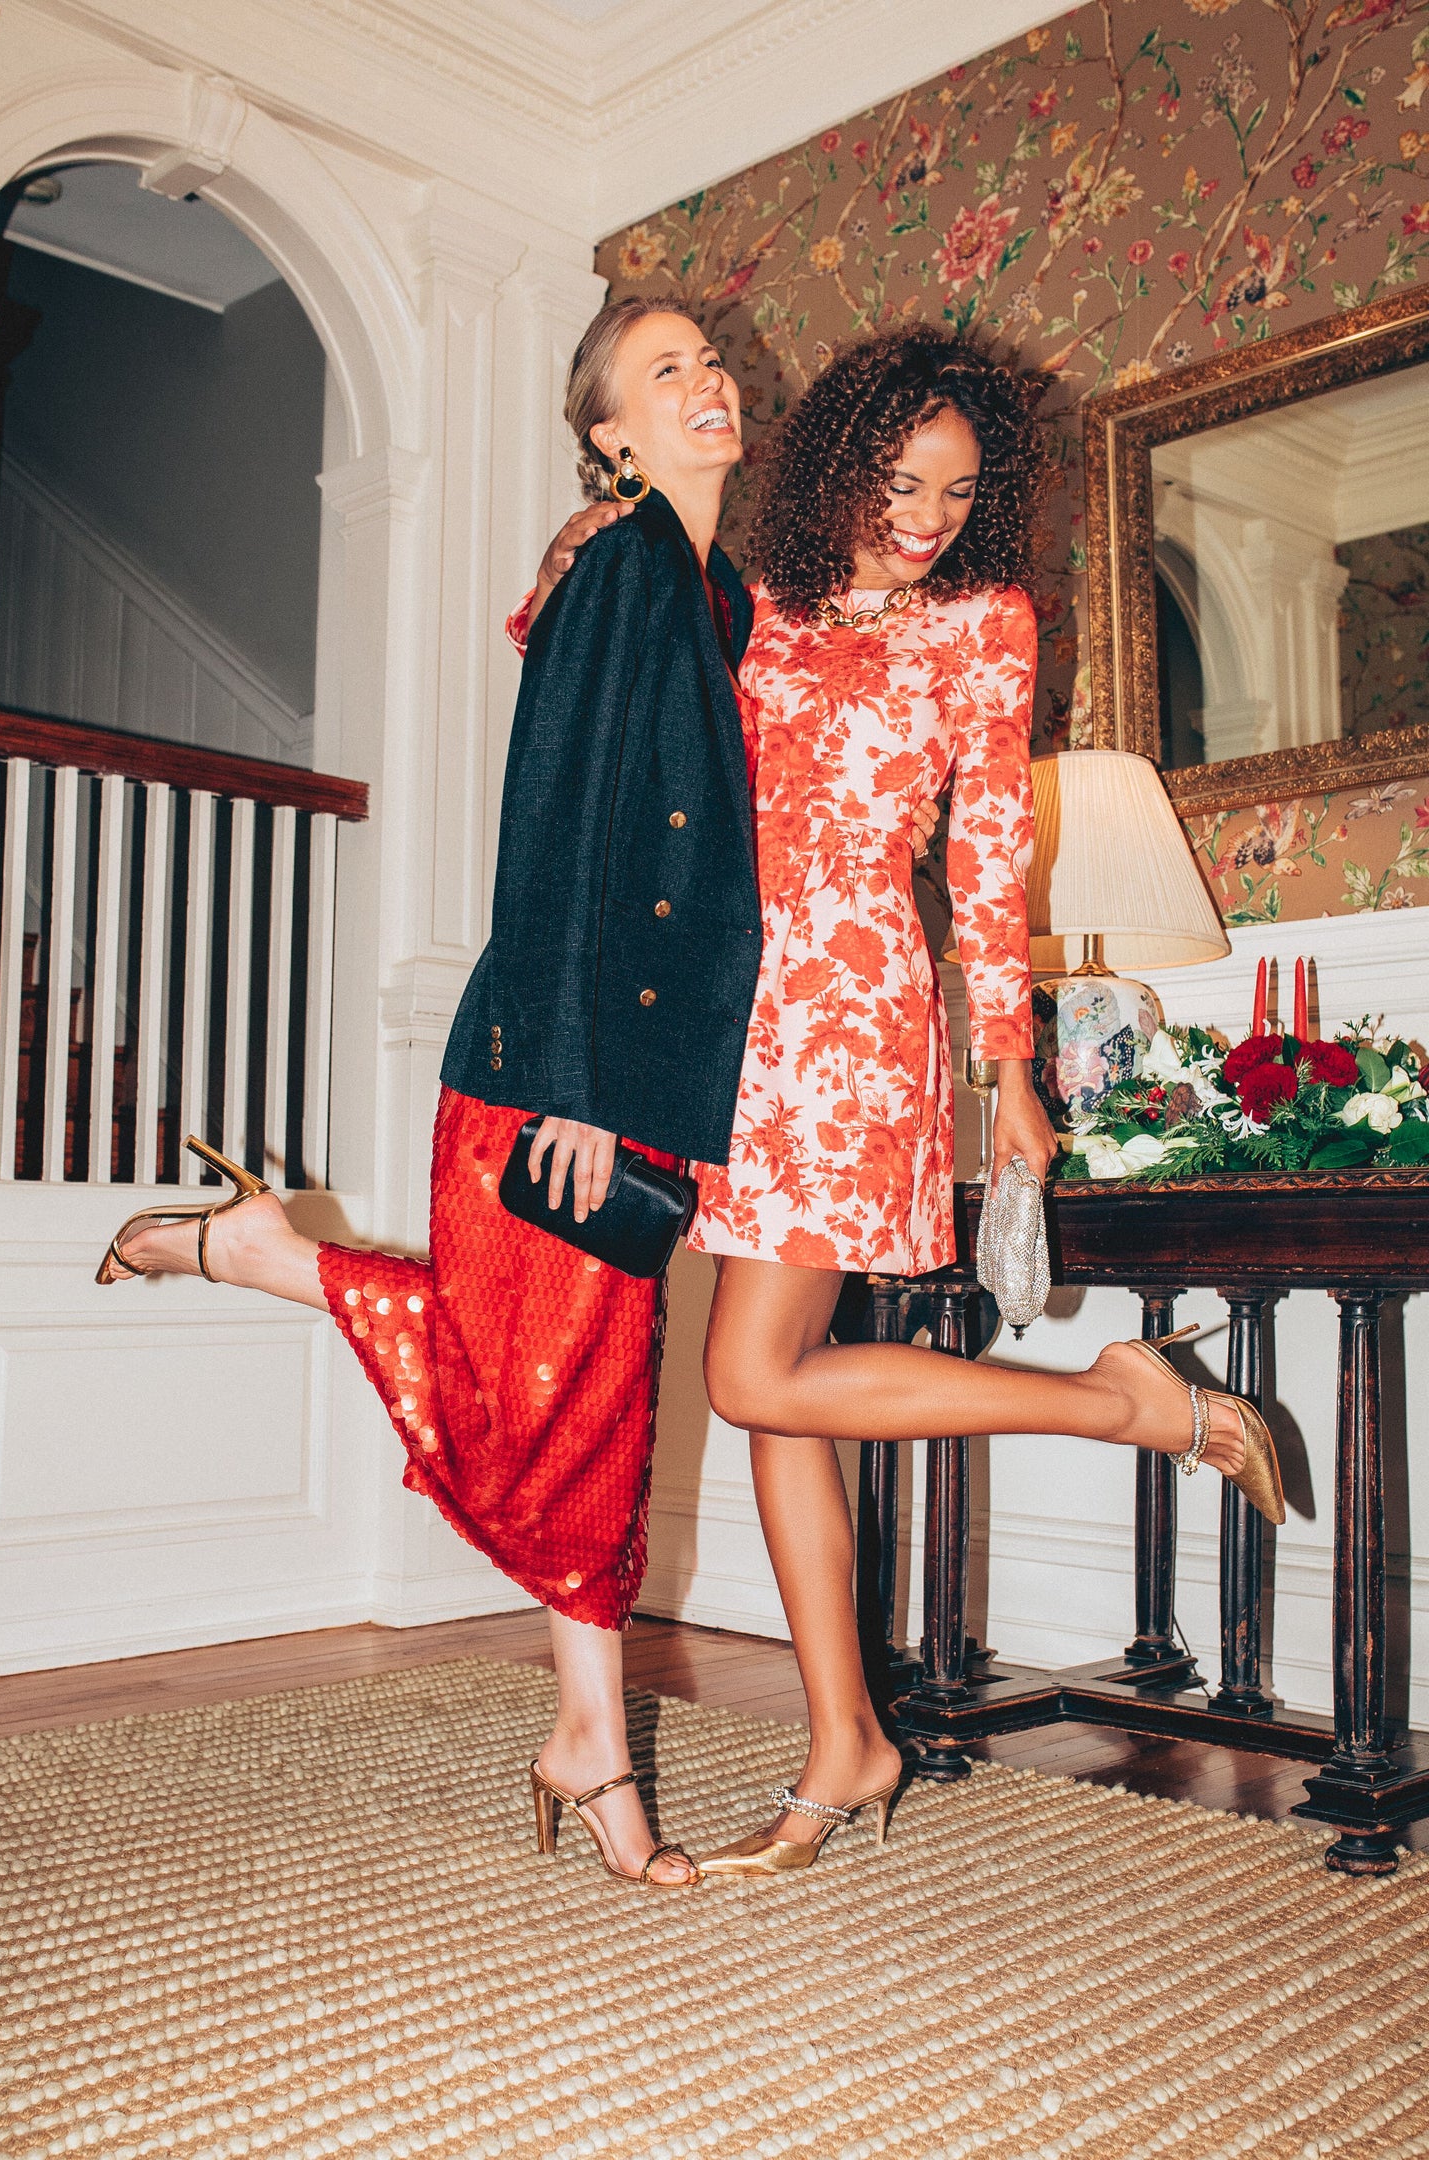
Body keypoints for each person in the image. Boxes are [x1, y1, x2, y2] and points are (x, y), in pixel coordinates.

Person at [533, 324, 1283, 1878]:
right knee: (780, 1393)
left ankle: (1128, 1404)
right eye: (903, 483)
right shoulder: (746, 599)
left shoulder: (984, 624)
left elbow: (990, 851)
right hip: (727, 1016)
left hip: (858, 1013)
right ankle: (847, 1744)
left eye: (958, 489)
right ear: (839, 469)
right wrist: (584, 546)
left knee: (754, 1374)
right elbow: (601, 712)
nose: (932, 515)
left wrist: (1010, 1071)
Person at [94, 297, 765, 1890]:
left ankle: (589, 1735)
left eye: (711, 360)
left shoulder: (707, 589)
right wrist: (576, 1085)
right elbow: (552, 820)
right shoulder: (624, 569)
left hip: (639, 1062)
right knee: (538, 1402)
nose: (708, 381)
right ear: (609, 434)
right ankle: (257, 1252)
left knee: (579, 1408)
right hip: (562, 1064)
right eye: (664, 369)